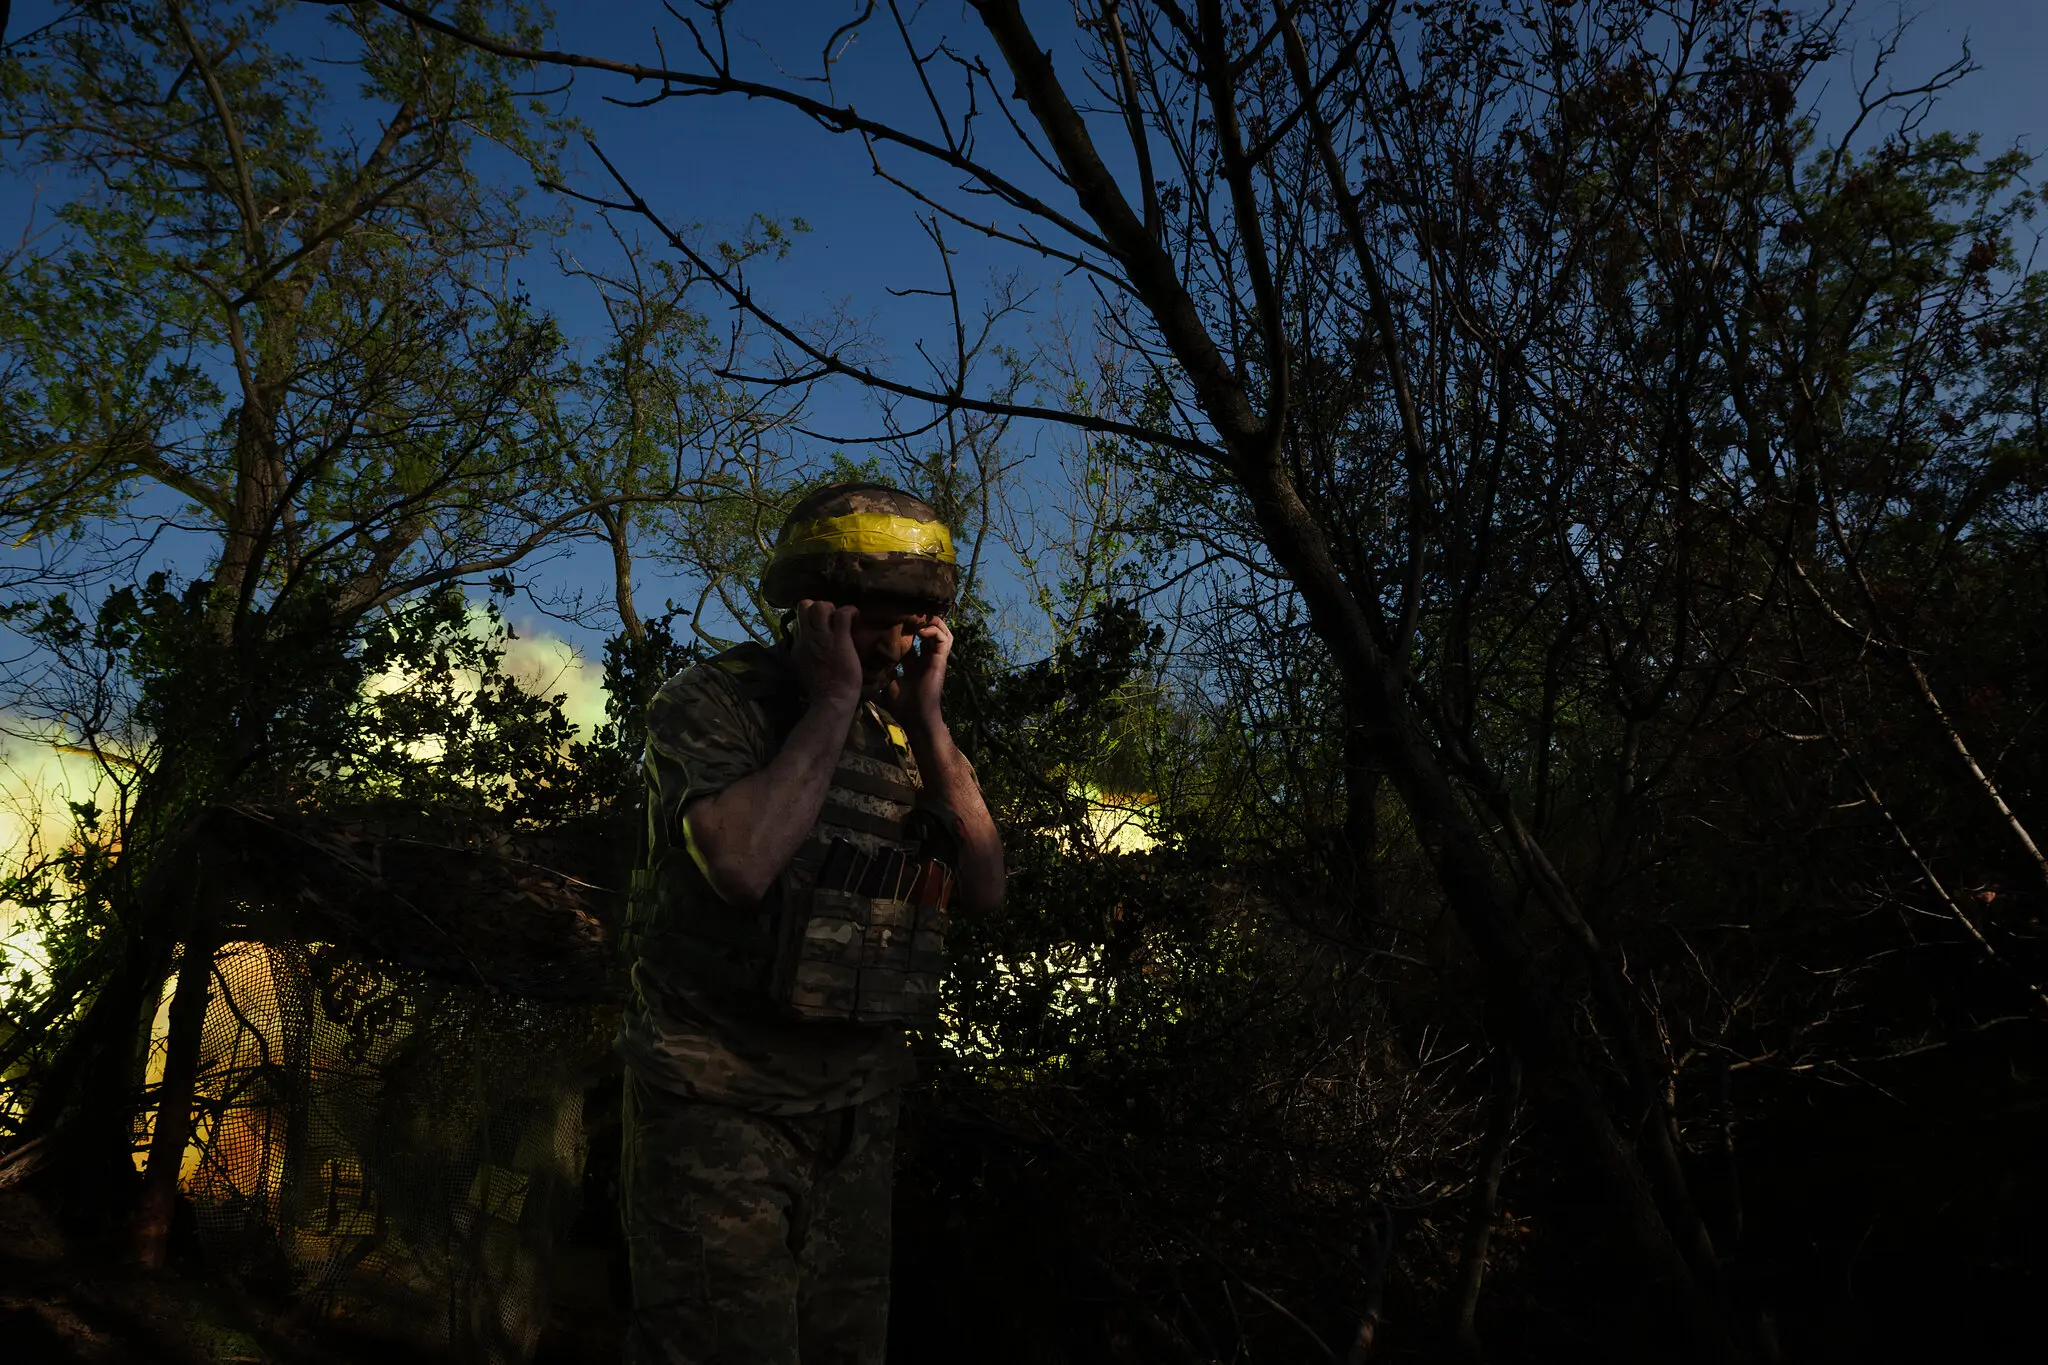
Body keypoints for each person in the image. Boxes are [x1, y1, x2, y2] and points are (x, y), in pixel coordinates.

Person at [618, 482, 1004, 1365]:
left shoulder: (906, 733)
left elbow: (983, 886)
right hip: (717, 1106)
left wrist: (930, 725)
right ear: (810, 604)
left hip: (856, 1114)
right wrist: (831, 706)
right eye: (871, 615)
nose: (891, 640)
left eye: (912, 621)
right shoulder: (714, 703)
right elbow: (742, 864)